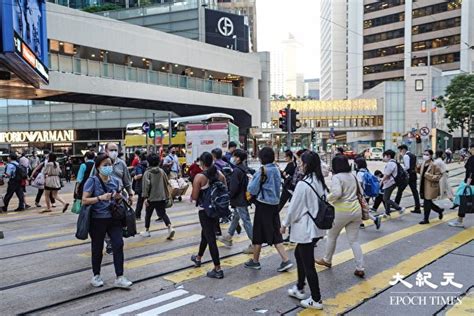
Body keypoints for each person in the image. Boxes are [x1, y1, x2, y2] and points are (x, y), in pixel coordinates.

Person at [282, 151, 326, 310]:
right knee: (299, 254)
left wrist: (284, 224)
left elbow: (294, 208)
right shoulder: (319, 180)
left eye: (301, 163)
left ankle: (316, 299)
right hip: (316, 228)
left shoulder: (304, 183)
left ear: (307, 165)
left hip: (307, 229)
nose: (299, 165)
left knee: (308, 264)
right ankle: (300, 288)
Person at [82, 154, 132, 289]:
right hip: (97, 220)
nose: (108, 167)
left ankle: (120, 277)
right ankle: (96, 275)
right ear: (98, 167)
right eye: (105, 165)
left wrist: (119, 198)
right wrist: (100, 198)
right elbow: (84, 200)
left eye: (110, 164)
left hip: (114, 219)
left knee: (118, 244)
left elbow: (120, 198)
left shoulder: (115, 181)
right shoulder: (92, 181)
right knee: (97, 248)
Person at [245, 147, 293, 272]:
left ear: (262, 158)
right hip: (274, 205)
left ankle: (258, 262)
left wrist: (250, 182)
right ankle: (283, 260)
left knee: (258, 233)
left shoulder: (263, 170)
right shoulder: (276, 169)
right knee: (274, 232)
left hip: (263, 205)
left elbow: (253, 189)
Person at [316, 155, 365, 278]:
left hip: (341, 211)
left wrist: (327, 198)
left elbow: (337, 193)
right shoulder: (353, 176)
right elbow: (361, 192)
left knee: (332, 236)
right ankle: (360, 267)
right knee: (354, 241)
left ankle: (327, 260)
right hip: (356, 211)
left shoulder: (337, 177)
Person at [190, 152, 226, 279]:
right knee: (205, 234)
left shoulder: (199, 177)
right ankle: (198, 258)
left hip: (204, 211)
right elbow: (224, 190)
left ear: (201, 163)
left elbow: (194, 197)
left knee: (210, 239)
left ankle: (218, 269)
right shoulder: (220, 174)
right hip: (216, 210)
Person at [218, 149, 254, 254]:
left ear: (238, 158)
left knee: (246, 220)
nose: (232, 158)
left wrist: (229, 196)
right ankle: (228, 236)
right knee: (236, 217)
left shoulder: (237, 171)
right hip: (243, 198)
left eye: (234, 156)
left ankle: (255, 243)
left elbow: (234, 188)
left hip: (239, 200)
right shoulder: (244, 169)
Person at [104, 143, 134, 254]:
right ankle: (110, 243)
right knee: (105, 222)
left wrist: (130, 194)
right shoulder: (100, 164)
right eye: (111, 150)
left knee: (118, 222)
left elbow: (127, 181)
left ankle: (116, 241)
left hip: (120, 198)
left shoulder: (121, 164)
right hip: (105, 198)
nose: (113, 152)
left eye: (115, 150)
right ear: (106, 151)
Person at [141, 153, 175, 239]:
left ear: (148, 162)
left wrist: (145, 197)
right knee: (163, 213)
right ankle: (170, 227)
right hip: (161, 197)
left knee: (148, 214)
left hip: (151, 198)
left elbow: (146, 186)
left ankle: (147, 230)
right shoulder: (161, 171)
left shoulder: (147, 173)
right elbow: (167, 182)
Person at [354, 157, 382, 230]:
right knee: (362, 209)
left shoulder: (360, 173)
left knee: (361, 209)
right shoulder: (367, 171)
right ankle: (361, 223)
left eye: (356, 163)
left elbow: (359, 184)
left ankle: (374, 220)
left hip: (362, 194)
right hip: (367, 194)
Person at [418, 150, 444, 225]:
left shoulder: (434, 165)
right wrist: (417, 168)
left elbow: (439, 176)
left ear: (431, 156)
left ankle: (426, 219)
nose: (425, 156)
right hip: (423, 185)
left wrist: (428, 175)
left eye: (427, 154)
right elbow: (421, 173)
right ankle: (439, 210)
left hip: (430, 187)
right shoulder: (423, 163)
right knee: (428, 202)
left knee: (427, 203)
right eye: (424, 154)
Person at [396, 145, 421, 214]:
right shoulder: (413, 155)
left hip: (407, 176)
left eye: (400, 150)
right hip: (413, 175)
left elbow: (407, 167)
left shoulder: (406, 156)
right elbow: (417, 165)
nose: (400, 152)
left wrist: (401, 168)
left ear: (403, 149)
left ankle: (395, 205)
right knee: (415, 192)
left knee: (400, 190)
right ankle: (417, 207)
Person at [381, 150, 405, 216]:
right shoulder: (394, 162)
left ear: (388, 156)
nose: (383, 158)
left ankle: (399, 208)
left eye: (384, 156)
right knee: (387, 197)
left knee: (385, 198)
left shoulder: (390, 163)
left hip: (390, 183)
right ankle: (387, 212)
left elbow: (387, 174)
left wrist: (381, 181)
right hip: (392, 182)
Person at [133, 154, 148, 221]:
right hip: (148, 184)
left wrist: (135, 177)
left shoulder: (139, 166)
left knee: (140, 201)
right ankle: (160, 215)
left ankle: (137, 215)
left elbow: (139, 175)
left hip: (141, 185)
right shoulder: (148, 164)